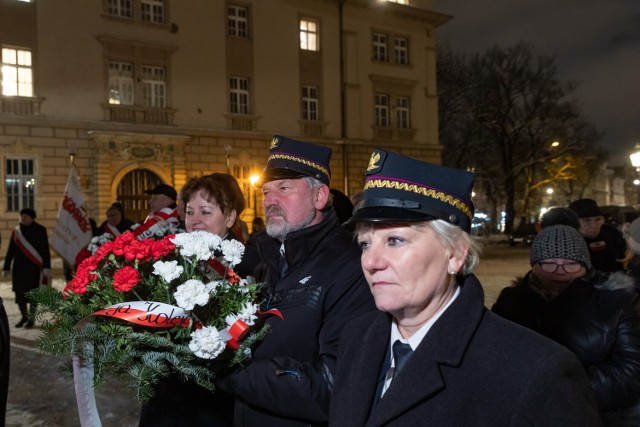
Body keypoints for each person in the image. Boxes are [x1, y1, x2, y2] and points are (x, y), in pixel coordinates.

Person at [329, 149, 602, 426]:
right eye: (365, 243)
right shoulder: (357, 337)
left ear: (455, 254)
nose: (371, 261)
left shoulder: (536, 371)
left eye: (395, 240)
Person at [217, 135, 376, 426]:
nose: (269, 201)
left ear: (320, 196)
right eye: (265, 191)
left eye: (284, 188)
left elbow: (335, 386)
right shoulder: (269, 262)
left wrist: (229, 371)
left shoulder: (351, 268)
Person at [139, 173, 260, 427]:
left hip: (213, 401)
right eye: (190, 212)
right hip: (165, 396)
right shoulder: (172, 258)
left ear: (230, 217)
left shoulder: (249, 264)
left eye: (206, 212)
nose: (194, 222)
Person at [492, 224, 640, 425]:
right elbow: (495, 359)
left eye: (571, 263)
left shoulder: (618, 301)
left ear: (586, 266)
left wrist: (561, 387)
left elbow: (631, 371)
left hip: (602, 416)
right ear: (534, 265)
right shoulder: (512, 302)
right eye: (549, 263)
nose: (560, 271)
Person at [2, 208, 51, 329]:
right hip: (19, 268)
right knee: (19, 295)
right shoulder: (16, 231)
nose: (23, 218)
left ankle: (31, 319)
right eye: (22, 216)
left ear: (31, 217)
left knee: (33, 295)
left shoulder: (40, 230)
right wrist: (6, 267)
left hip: (34, 269)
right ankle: (24, 316)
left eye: (25, 216)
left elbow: (45, 250)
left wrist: (46, 266)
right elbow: (10, 250)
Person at [569, 198, 626, 272]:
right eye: (585, 220)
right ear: (573, 223)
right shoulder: (566, 241)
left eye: (598, 219)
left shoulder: (611, 235)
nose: (594, 225)